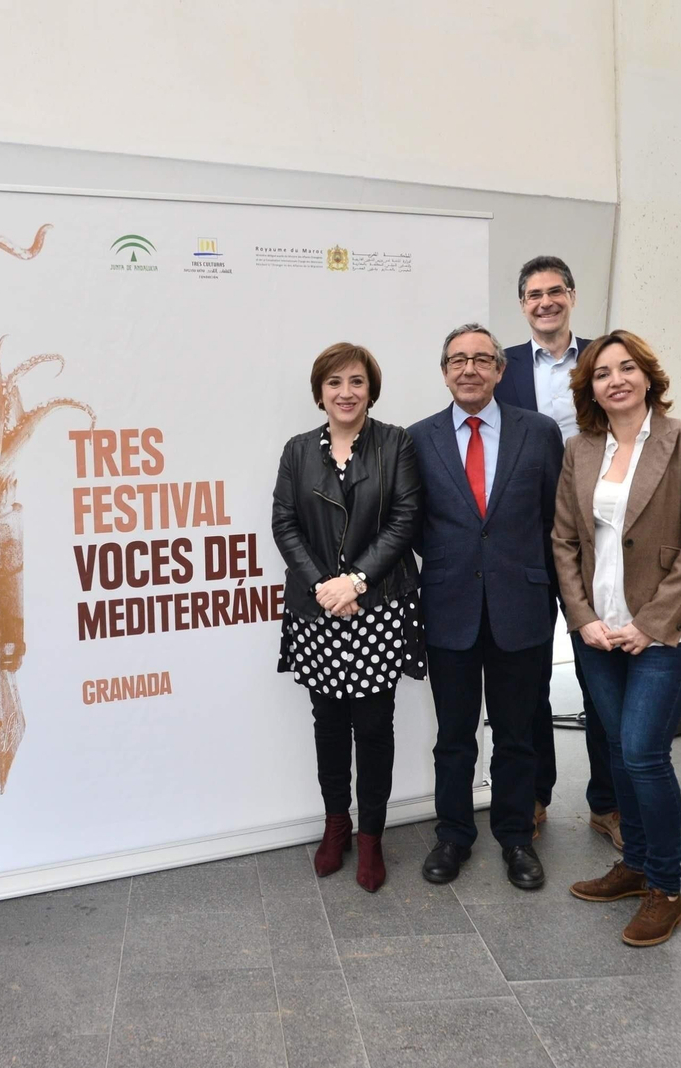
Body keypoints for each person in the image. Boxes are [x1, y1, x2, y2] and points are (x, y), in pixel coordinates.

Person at [553, 329, 681, 947]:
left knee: (645, 752)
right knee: (618, 749)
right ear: (590, 388)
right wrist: (582, 617)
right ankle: (636, 865)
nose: (615, 380)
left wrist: (648, 624)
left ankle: (666, 889)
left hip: (667, 631)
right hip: (598, 629)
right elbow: (564, 540)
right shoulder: (581, 449)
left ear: (648, 376)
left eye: (626, 368)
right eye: (602, 373)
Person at [409, 324, 564, 890]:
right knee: (454, 735)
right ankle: (453, 835)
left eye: (481, 359)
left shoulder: (539, 432)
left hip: (521, 606)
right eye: (457, 360)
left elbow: (555, 521)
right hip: (448, 607)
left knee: (517, 734)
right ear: (444, 372)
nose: (468, 369)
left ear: (500, 370)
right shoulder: (418, 439)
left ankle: (517, 837)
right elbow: (414, 523)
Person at [271, 343, 424, 893]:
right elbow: (284, 523)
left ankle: (372, 836)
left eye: (356, 381)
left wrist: (355, 581)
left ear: (371, 390)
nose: (346, 392)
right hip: (317, 609)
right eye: (334, 382)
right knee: (329, 724)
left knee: (374, 727)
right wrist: (324, 586)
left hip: (377, 606)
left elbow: (406, 517)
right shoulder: (297, 451)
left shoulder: (396, 443)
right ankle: (336, 824)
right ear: (320, 392)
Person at [498, 255, 621, 849]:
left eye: (555, 291)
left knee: (602, 675)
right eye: (533, 294)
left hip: (596, 536)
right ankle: (534, 793)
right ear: (522, 304)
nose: (545, 302)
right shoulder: (502, 366)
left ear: (571, 295)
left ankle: (608, 803)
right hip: (523, 538)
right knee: (528, 676)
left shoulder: (605, 359)